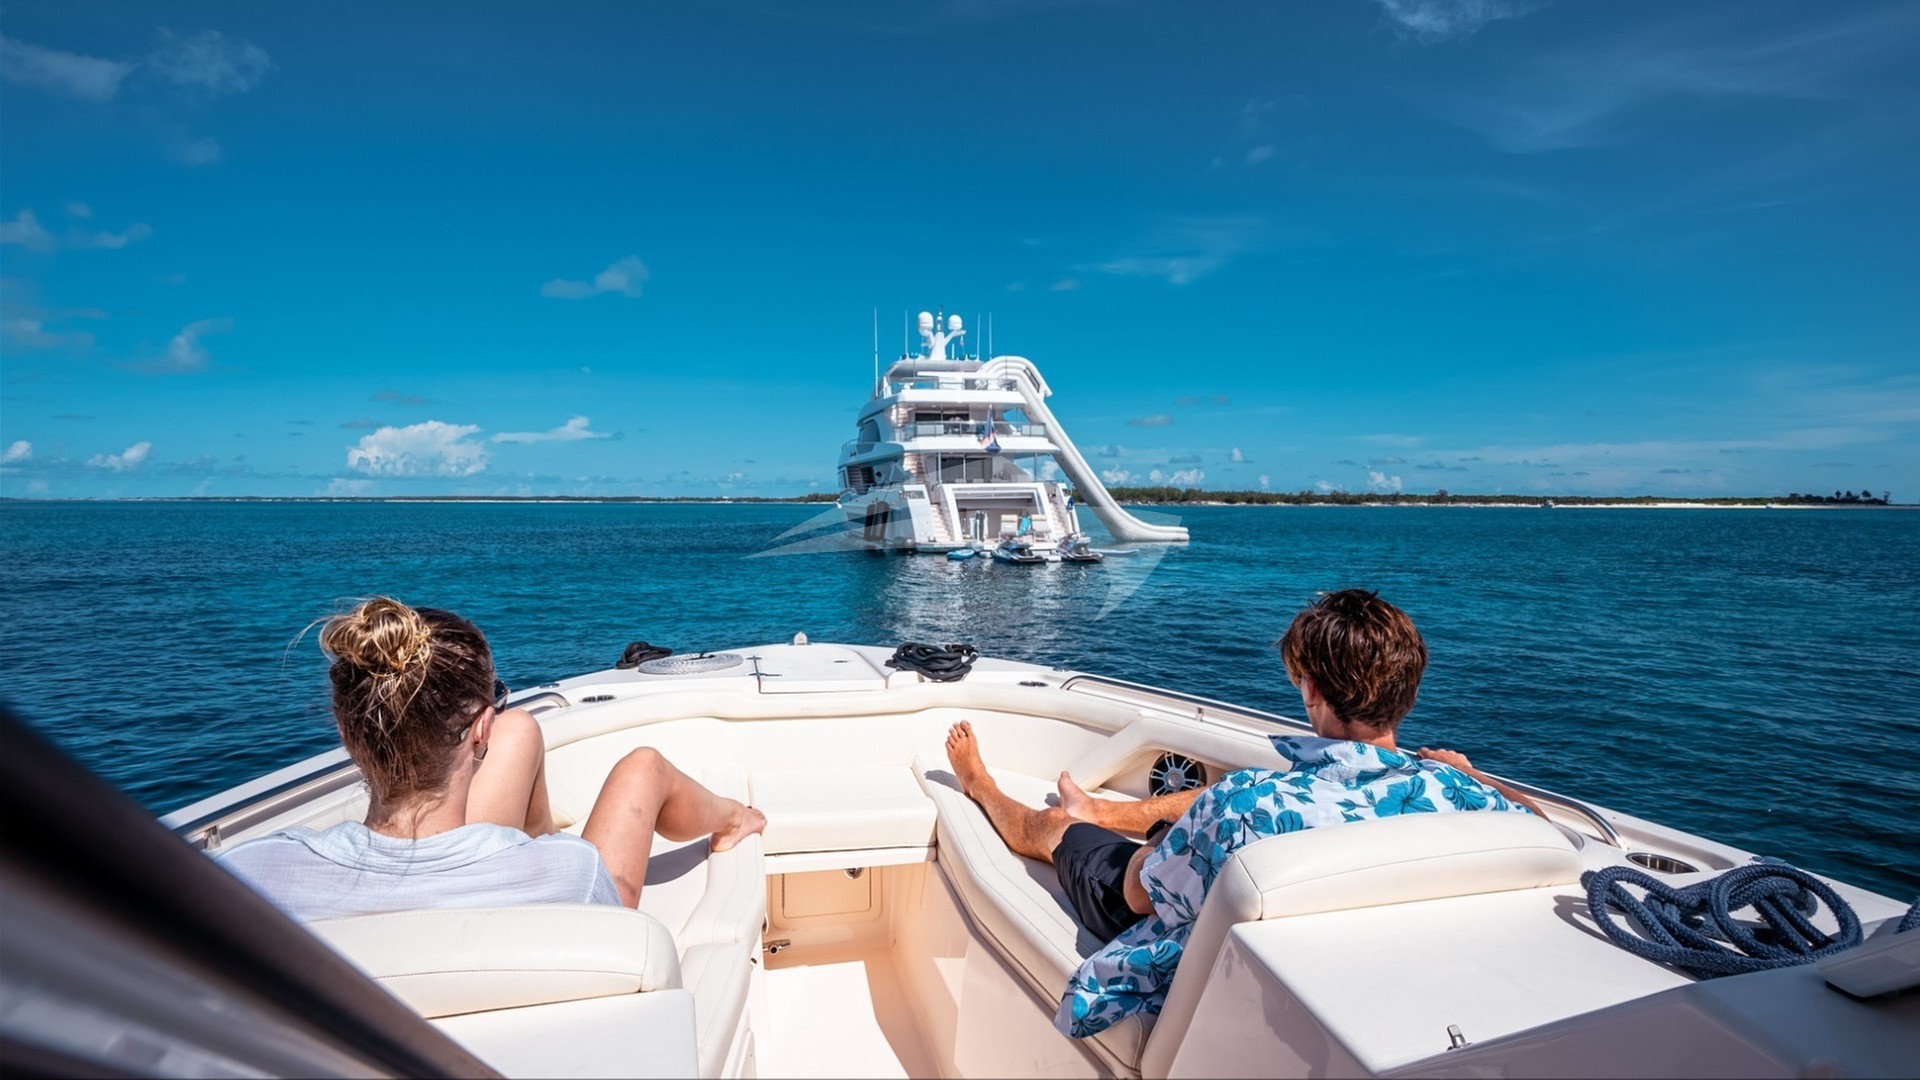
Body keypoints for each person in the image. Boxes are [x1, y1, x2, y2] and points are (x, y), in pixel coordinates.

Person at [942, 589, 1543, 1039]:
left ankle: (983, 787)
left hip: (1176, 927)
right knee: (1227, 802)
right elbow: (1542, 824)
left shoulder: (1248, 802)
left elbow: (1138, 897)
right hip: (1362, 966)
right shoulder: (1460, 794)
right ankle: (1101, 808)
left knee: (1060, 830)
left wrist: (1162, 845)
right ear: (1408, 692)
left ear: (1311, 690)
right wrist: (1471, 775)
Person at [217, 596, 765, 922]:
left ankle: (535, 832)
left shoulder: (246, 876)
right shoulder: (571, 876)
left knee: (521, 730)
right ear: (482, 728)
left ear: (346, 730)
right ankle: (735, 819)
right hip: (537, 897)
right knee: (643, 767)